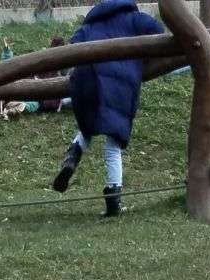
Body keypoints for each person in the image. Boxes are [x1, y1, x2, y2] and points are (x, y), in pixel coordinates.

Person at [50, 0, 163, 218]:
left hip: (87, 79)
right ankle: (113, 200)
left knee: (89, 124)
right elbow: (157, 31)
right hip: (119, 83)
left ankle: (73, 155)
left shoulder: (90, 25)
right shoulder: (135, 19)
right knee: (113, 143)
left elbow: (74, 45)